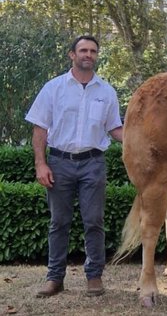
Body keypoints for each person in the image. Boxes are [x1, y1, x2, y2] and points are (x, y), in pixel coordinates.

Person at [26, 35, 123, 298]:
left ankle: (94, 277)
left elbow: (115, 129)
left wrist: (142, 139)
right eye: (83, 50)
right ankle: (55, 278)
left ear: (96, 56)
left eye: (93, 51)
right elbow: (39, 128)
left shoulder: (106, 92)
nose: (88, 55)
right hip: (59, 163)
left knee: (94, 222)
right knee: (59, 222)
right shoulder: (53, 88)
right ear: (72, 54)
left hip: (93, 163)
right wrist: (41, 164)